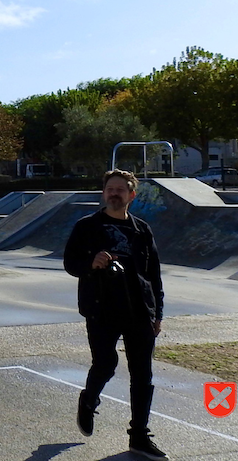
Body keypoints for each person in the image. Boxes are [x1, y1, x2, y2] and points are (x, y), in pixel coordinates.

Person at [63, 169, 166, 460]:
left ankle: (139, 437)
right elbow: (70, 263)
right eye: (111, 189)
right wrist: (91, 262)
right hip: (101, 309)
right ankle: (89, 398)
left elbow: (154, 275)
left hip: (139, 311)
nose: (115, 193)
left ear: (132, 196)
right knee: (106, 363)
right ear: (103, 193)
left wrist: (158, 313)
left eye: (121, 189)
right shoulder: (88, 227)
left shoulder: (142, 230)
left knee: (142, 375)